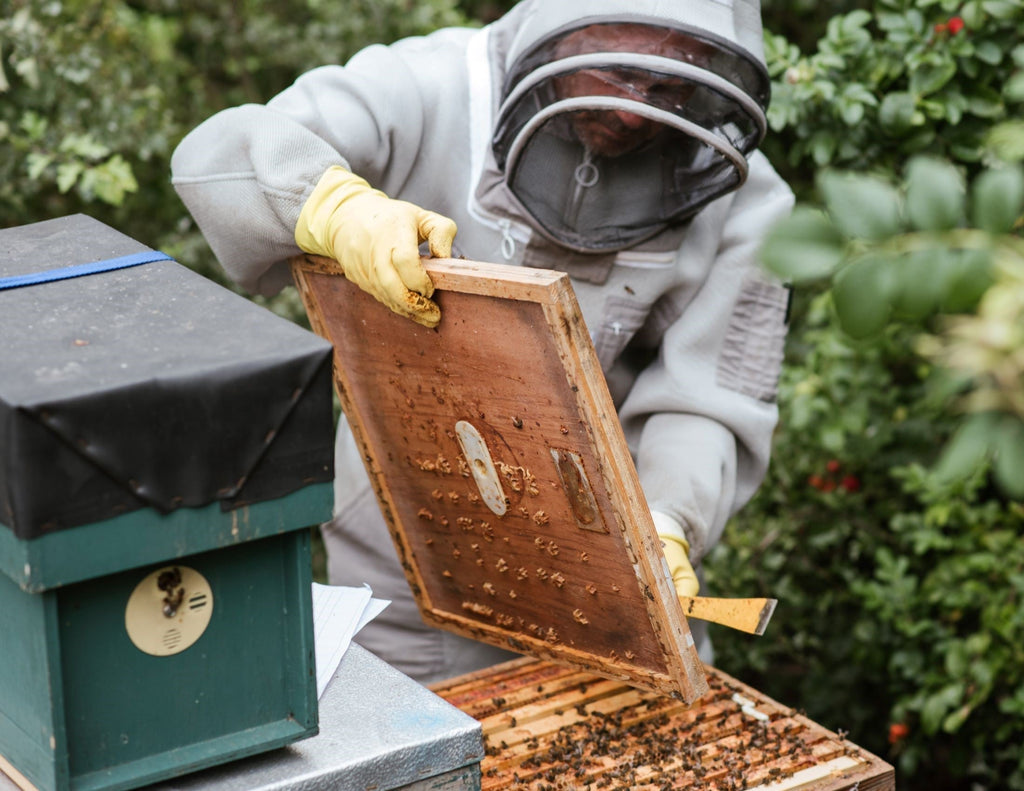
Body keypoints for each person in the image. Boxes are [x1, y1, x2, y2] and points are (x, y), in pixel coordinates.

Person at [171, 0, 794, 684]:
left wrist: (670, 517)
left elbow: (707, 401)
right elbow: (220, 149)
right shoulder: (427, 87)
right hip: (407, 557)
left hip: (615, 569)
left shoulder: (743, 197)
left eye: (673, 84)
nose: (634, 111)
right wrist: (331, 206)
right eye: (617, 72)